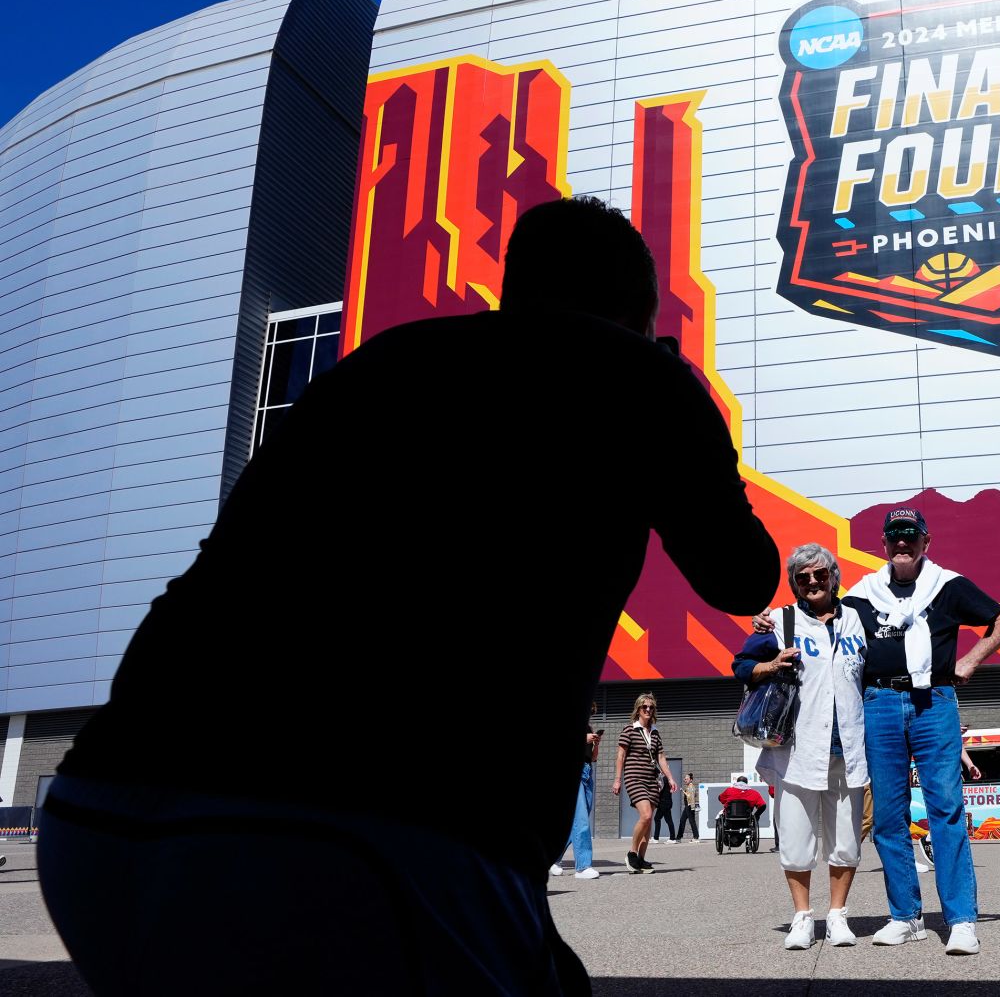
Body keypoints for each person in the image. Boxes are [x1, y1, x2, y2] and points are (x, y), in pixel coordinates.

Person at [36, 195, 780, 996]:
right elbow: (743, 574)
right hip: (371, 831)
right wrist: (680, 402)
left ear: (513, 282)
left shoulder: (384, 358)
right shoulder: (639, 377)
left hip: (102, 813)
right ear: (638, 311)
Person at [762, 507, 1000, 956]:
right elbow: (814, 612)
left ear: (926, 541)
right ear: (883, 544)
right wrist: (769, 622)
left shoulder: (949, 585)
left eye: (910, 535)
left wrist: (970, 661)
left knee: (946, 809)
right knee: (887, 818)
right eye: (894, 536)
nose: (902, 542)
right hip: (878, 705)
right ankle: (906, 916)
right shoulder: (864, 595)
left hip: (932, 702)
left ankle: (960, 920)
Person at [734, 543, 869, 950]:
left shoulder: (857, 620)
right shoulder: (778, 621)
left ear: (834, 577)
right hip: (796, 750)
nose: (812, 581)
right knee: (796, 837)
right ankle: (802, 917)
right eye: (802, 577)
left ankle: (839, 915)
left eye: (820, 574)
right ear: (794, 583)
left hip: (848, 746)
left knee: (846, 838)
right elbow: (741, 666)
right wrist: (771, 665)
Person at [615, 694, 679, 873]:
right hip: (634, 778)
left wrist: (671, 778)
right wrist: (618, 779)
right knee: (646, 815)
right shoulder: (629, 730)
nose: (648, 710)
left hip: (652, 780)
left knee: (649, 820)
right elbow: (620, 755)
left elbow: (661, 757)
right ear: (638, 709)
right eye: (645, 707)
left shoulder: (656, 732)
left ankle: (641, 859)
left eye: (651, 707)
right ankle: (631, 854)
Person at [550, 723, 603, 879]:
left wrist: (596, 744)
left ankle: (552, 859)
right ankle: (583, 867)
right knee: (580, 820)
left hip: (587, 773)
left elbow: (593, 757)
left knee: (576, 821)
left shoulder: (589, 728)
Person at [654, 773, 678, 844]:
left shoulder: (665, 779)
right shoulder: (669, 779)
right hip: (665, 803)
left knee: (666, 820)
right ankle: (656, 838)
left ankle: (672, 838)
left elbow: (660, 790)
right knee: (659, 818)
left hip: (664, 803)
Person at [678, 773, 700, 842]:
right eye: (685, 779)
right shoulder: (689, 787)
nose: (685, 780)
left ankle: (696, 837)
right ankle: (679, 837)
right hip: (687, 806)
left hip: (690, 806)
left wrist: (692, 807)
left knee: (691, 821)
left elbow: (692, 797)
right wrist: (683, 791)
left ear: (691, 780)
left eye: (687, 779)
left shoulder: (691, 787)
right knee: (682, 820)